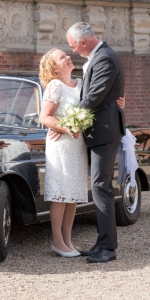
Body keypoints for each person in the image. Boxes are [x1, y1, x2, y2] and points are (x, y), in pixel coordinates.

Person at [66, 22, 126, 263]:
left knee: (101, 187)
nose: (73, 52)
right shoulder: (100, 56)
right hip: (100, 131)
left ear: (82, 42)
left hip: (104, 131)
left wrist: (69, 121)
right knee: (100, 187)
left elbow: (93, 97)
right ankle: (102, 242)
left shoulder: (104, 58)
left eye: (73, 46)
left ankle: (108, 248)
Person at [39, 48, 88, 258]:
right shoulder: (55, 86)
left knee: (73, 194)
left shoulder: (80, 84)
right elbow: (45, 117)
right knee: (61, 193)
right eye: (62, 57)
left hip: (78, 146)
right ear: (55, 69)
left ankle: (68, 240)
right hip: (61, 146)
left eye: (66, 55)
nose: (68, 57)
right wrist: (67, 127)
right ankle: (57, 242)